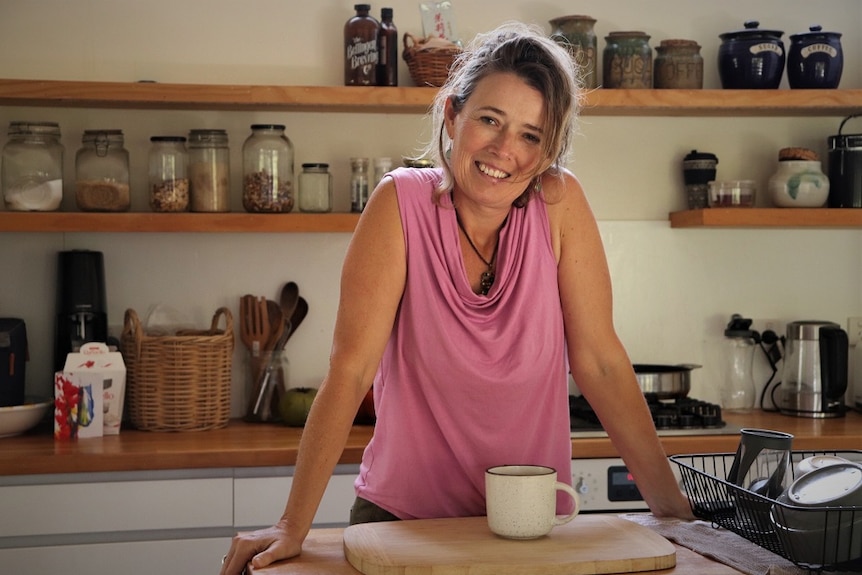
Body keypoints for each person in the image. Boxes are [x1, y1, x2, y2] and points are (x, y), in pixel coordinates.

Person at [220, 20, 693, 575]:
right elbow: (350, 372)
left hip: (531, 528)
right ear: (451, 113)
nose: (504, 151)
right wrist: (290, 526)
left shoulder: (561, 203)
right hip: (401, 524)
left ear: (546, 152)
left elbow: (601, 364)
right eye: (490, 120)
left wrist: (675, 514)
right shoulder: (399, 204)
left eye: (530, 135)